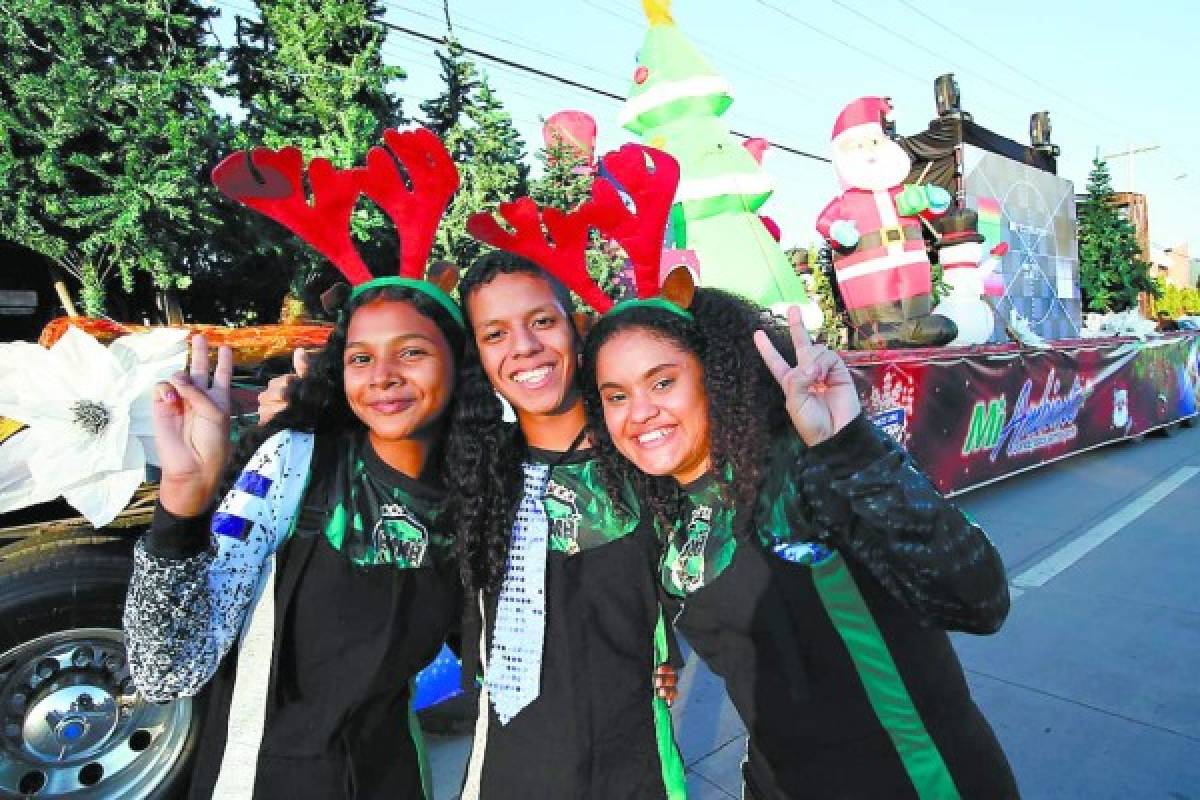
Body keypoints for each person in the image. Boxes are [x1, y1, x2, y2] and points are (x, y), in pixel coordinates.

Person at [255, 254, 686, 800]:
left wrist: (666, 649)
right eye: (494, 333)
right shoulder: (470, 476)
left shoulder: (644, 456)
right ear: (476, 357)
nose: (524, 347)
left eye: (542, 321)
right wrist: (304, 415)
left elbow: (698, 577)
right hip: (506, 772)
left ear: (577, 327)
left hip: (638, 771)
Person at [579, 287, 1018, 799]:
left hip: (918, 779)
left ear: (714, 376)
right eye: (616, 396)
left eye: (662, 382)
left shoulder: (804, 468)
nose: (640, 412)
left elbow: (980, 601)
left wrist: (850, 446)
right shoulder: (661, 514)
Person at [124, 280, 466, 799]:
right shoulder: (295, 464)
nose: (383, 377)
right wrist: (181, 503)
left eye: (412, 352)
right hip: (263, 779)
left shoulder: (475, 496)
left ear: (459, 365)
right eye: (360, 358)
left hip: (392, 778)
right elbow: (165, 669)